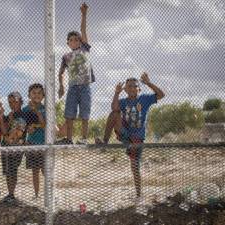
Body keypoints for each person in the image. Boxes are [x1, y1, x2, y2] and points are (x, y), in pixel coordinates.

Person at [95, 72, 165, 201]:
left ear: (139, 88)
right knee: (114, 114)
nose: (132, 88)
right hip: (125, 134)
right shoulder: (123, 101)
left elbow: (161, 95)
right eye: (129, 86)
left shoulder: (144, 99)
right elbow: (114, 108)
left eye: (135, 86)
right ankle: (104, 143)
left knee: (134, 166)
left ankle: (139, 195)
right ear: (125, 89)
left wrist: (148, 83)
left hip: (137, 138)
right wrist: (116, 92)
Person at [58, 2, 95, 145]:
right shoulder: (66, 56)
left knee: (85, 113)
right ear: (68, 43)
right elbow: (61, 72)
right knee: (69, 114)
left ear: (80, 41)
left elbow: (83, 29)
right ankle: (69, 138)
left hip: (85, 86)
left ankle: (84, 138)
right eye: (71, 40)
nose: (74, 41)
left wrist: (84, 14)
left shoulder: (84, 49)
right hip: (73, 87)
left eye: (77, 39)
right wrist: (61, 86)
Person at [1, 92, 27, 203]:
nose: (12, 104)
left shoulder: (25, 114)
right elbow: (4, 131)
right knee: (7, 170)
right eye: (10, 102)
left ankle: (12, 194)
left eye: (15, 101)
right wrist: (5, 119)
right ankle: (10, 194)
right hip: (6, 146)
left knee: (13, 170)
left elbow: (21, 132)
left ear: (21, 101)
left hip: (17, 147)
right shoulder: (9, 116)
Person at [23, 83, 46, 199]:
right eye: (34, 93)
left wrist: (36, 110)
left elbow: (44, 124)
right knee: (35, 171)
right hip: (31, 143)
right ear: (29, 95)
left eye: (39, 93)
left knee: (45, 170)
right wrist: (28, 128)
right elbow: (23, 126)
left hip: (44, 144)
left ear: (43, 96)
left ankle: (49, 193)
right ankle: (37, 195)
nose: (36, 95)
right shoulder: (25, 110)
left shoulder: (46, 109)